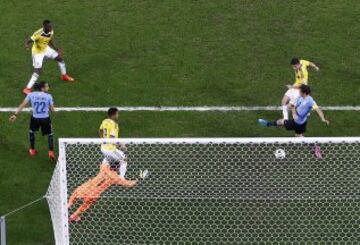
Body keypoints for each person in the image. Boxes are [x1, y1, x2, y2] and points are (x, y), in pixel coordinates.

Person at [68, 162, 138, 222]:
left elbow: (102, 163)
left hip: (88, 187)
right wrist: (139, 179)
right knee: (85, 205)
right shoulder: (116, 178)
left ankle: (69, 204)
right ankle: (73, 216)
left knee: (75, 193)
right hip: (94, 193)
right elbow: (129, 184)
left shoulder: (104, 168)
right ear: (118, 168)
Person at [23, 20, 74, 95]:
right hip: (37, 52)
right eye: (49, 26)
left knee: (60, 59)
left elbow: (50, 39)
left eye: (51, 26)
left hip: (46, 49)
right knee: (38, 70)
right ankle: (27, 89)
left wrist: (56, 48)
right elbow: (28, 40)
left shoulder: (51, 31)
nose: (51, 27)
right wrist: (26, 45)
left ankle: (64, 76)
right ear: (44, 27)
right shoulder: (38, 33)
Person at [259, 85, 329, 137]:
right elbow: (293, 107)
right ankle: (314, 148)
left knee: (281, 122)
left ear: (304, 93)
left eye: (300, 91)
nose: (299, 92)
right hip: (301, 122)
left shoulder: (310, 101)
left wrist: (323, 119)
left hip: (297, 123)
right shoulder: (300, 97)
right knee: (299, 136)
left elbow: (318, 109)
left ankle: (268, 124)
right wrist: (294, 113)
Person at [9, 81, 56, 160]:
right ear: (42, 88)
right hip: (45, 119)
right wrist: (51, 108)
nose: (48, 88)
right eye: (47, 86)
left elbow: (23, 104)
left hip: (35, 119)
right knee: (50, 134)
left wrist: (15, 114)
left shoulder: (30, 95)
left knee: (32, 132)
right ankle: (51, 151)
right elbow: (52, 110)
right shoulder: (49, 96)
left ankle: (32, 150)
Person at [99, 108, 129, 180]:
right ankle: (121, 178)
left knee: (108, 159)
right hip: (110, 149)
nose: (118, 115)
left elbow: (100, 130)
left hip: (103, 148)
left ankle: (102, 175)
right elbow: (112, 139)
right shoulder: (114, 125)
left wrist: (102, 140)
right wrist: (121, 146)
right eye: (117, 114)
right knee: (124, 159)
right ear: (114, 115)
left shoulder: (105, 121)